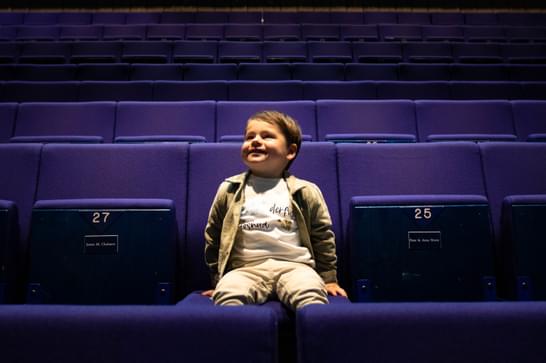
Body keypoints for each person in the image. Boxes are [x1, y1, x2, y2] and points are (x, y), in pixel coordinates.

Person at [202, 110, 347, 310]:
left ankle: (313, 338)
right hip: (244, 269)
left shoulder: (305, 191)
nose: (255, 141)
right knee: (228, 297)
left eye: (267, 136)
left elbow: (322, 237)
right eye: (249, 137)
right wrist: (219, 281)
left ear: (290, 151)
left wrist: (329, 279)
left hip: (296, 267)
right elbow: (214, 236)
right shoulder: (229, 188)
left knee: (311, 296)